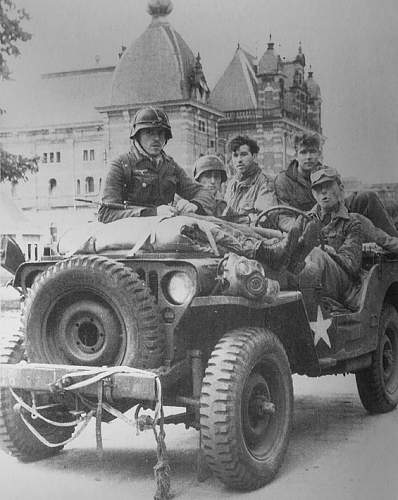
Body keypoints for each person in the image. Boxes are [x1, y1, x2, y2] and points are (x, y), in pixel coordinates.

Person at [274, 135, 398, 253]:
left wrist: (339, 216)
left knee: (367, 197)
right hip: (309, 224)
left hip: (333, 215)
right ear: (295, 155)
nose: (308, 157)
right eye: (303, 152)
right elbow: (283, 218)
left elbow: (340, 197)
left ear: (319, 154)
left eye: (312, 152)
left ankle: (393, 245)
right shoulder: (284, 179)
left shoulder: (327, 172)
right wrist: (304, 227)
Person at [98, 107, 215, 223]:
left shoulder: (170, 166)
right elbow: (106, 214)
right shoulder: (121, 165)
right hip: (133, 235)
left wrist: (195, 205)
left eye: (161, 133)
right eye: (149, 132)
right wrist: (152, 213)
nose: (156, 138)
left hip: (166, 230)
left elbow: (202, 192)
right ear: (137, 136)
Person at [290, 167, 363, 308]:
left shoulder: (352, 223)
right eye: (317, 188)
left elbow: (351, 264)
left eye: (328, 186)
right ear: (313, 194)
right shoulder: (304, 219)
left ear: (340, 188)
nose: (323, 192)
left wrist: (328, 251)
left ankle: (313, 307)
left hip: (342, 285)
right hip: (307, 275)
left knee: (316, 254)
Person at [224, 135, 275, 224]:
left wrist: (237, 220)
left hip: (253, 234)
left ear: (254, 156)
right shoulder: (231, 184)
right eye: (235, 155)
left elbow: (264, 218)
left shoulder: (264, 182)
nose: (239, 160)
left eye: (244, 154)